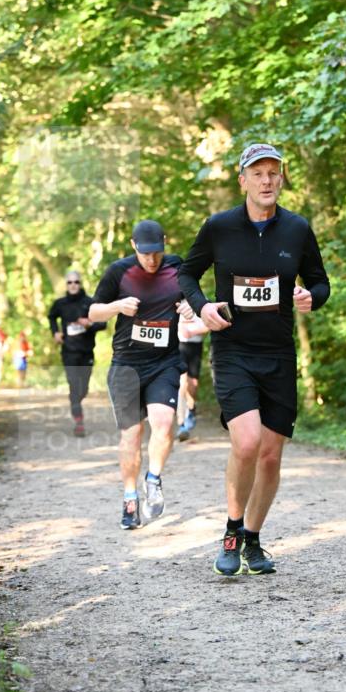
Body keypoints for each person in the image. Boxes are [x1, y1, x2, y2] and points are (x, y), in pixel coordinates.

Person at [179, 142, 331, 576]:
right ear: (242, 179)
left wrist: (309, 297)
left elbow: (320, 282)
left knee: (270, 455)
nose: (267, 181)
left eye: (274, 173)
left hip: (279, 353)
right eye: (258, 173)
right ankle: (230, 531)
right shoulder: (219, 227)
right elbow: (186, 272)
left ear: (281, 179)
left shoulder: (297, 229)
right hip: (233, 349)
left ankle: (253, 539)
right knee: (246, 443)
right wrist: (203, 305)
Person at [88, 220, 193, 530]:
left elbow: (193, 298)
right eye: (145, 254)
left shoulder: (176, 266)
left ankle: (154, 479)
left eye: (157, 253)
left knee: (163, 423)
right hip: (127, 364)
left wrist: (189, 306)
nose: (151, 260)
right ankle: (130, 496)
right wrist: (117, 306)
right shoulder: (119, 271)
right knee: (131, 435)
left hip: (165, 361)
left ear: (164, 242)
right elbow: (93, 313)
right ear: (134, 246)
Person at [48, 270, 106, 436]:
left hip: (87, 352)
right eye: (70, 282)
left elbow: (103, 324)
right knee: (74, 386)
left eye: (76, 282)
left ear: (80, 284)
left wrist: (89, 325)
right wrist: (56, 332)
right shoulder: (60, 304)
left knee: (83, 389)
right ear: (66, 285)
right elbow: (51, 317)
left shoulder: (90, 302)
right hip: (69, 352)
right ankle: (79, 422)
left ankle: (76, 402)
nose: (73, 285)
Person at [176, 328, 205, 442]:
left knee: (193, 385)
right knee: (182, 384)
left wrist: (193, 331)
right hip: (180, 344)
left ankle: (191, 409)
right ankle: (182, 423)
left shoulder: (201, 308)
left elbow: (209, 326)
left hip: (196, 345)